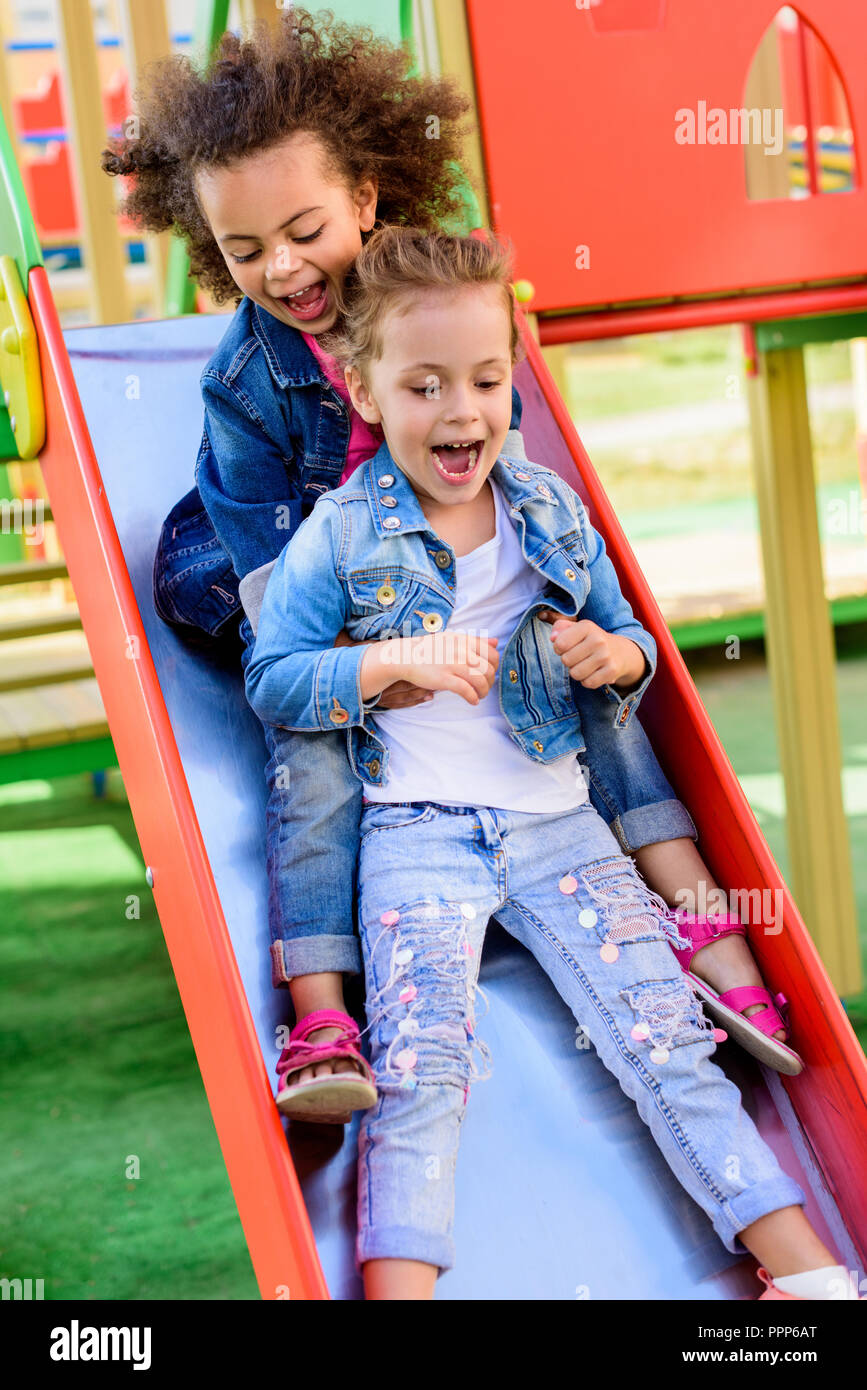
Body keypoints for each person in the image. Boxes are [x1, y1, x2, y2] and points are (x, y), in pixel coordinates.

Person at [102, 7, 798, 1124]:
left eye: (304, 228)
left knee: (576, 663)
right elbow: (281, 586)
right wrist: (378, 663)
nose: (280, 267)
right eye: (243, 252)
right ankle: (321, 1005)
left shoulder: (435, 306)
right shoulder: (242, 381)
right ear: (215, 252)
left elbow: (498, 469)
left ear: (366, 203)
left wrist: (559, 629)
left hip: (435, 549)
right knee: (316, 739)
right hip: (286, 553)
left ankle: (703, 920)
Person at [244, 224, 856, 1300]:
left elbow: (634, 649)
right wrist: (391, 661)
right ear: (367, 389)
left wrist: (605, 653)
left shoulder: (548, 510)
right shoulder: (340, 535)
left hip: (560, 825)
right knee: (421, 1068)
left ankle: (806, 1277)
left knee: (666, 1038)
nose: (464, 412)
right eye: (426, 386)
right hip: (416, 833)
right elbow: (276, 677)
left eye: (486, 379)